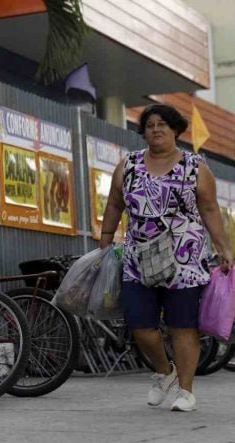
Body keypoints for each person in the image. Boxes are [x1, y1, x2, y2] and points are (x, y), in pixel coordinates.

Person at [99, 104, 233, 412]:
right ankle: (164, 371)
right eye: (149, 125)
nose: (156, 130)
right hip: (138, 258)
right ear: (143, 132)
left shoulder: (195, 166)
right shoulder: (128, 164)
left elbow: (210, 209)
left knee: (182, 325)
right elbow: (114, 204)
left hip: (184, 259)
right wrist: (106, 239)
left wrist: (224, 248)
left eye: (162, 124)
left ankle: (186, 391)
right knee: (139, 324)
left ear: (175, 130)